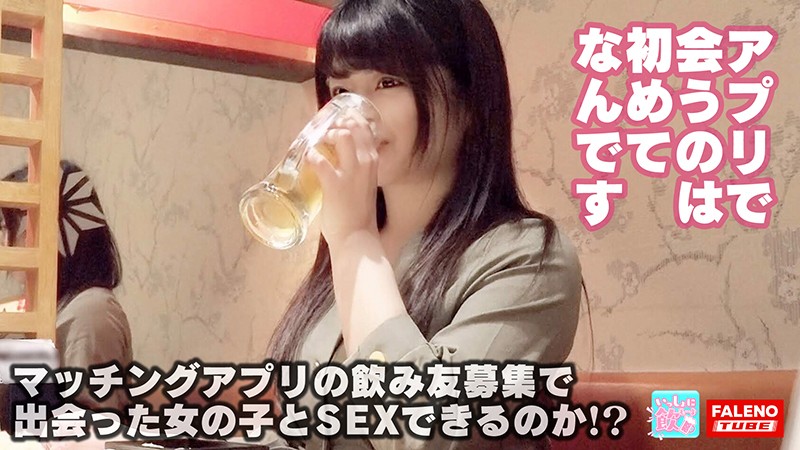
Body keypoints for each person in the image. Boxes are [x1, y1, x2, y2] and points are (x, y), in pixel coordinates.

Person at [261, 0, 583, 449]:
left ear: (468, 100)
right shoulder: (348, 250)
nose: (353, 115)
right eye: (339, 91)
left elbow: (430, 434)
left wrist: (354, 242)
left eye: (388, 82)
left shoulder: (529, 260)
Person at [0, 160, 132, 414]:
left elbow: (89, 425)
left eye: (10, 228)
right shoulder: (44, 308)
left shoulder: (90, 312)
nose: (5, 243)